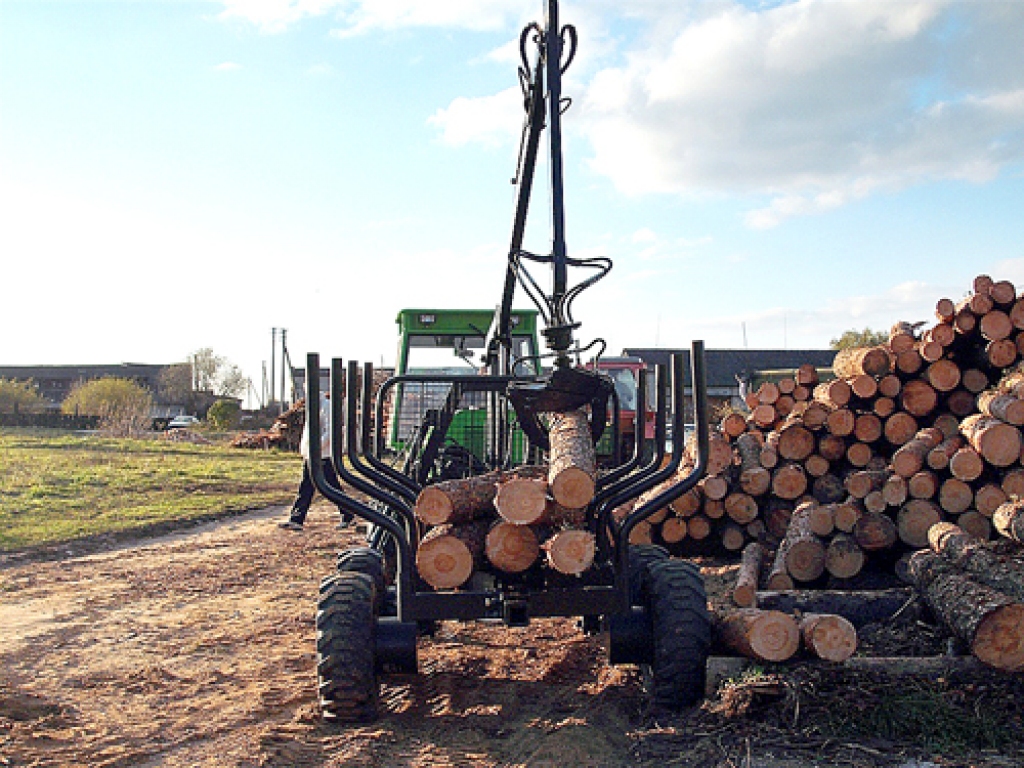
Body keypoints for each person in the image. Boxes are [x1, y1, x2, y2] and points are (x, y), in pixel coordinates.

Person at [278, 391, 354, 531]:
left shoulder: (325, 407)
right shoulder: (314, 407)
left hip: (321, 454)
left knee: (326, 486)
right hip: (313, 454)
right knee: (312, 486)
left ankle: (298, 519)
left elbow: (331, 430)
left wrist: (317, 447)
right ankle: (297, 519)